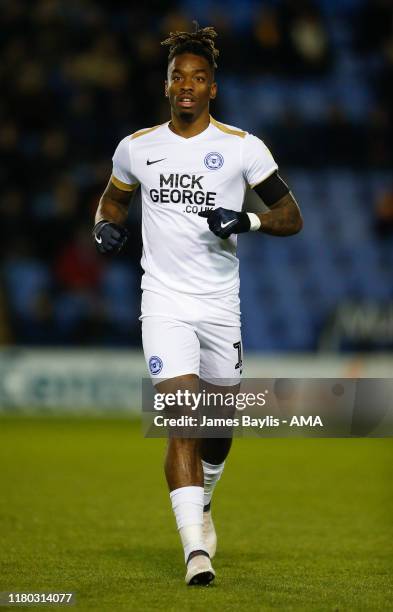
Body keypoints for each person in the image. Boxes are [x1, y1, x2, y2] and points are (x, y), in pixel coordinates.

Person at [93, 23, 303, 586]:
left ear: (213, 88)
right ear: (166, 86)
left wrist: (249, 219)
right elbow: (111, 204)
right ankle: (195, 552)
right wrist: (103, 230)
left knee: (218, 423)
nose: (187, 85)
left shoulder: (242, 147)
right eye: (177, 76)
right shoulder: (137, 148)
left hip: (219, 306)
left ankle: (204, 500)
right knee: (181, 415)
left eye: (199, 77)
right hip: (162, 300)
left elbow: (292, 216)